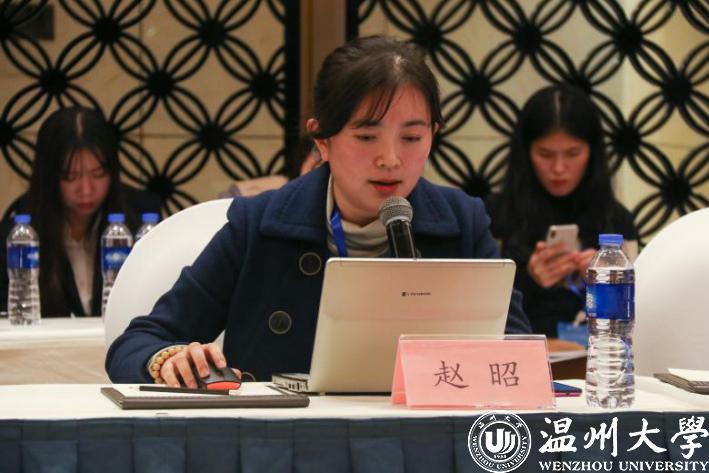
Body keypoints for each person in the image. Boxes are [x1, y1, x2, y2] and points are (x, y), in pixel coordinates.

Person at [106, 36, 531, 387]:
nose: (390, 159)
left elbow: (516, 355)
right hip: (284, 443)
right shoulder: (258, 225)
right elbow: (138, 343)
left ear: (433, 135)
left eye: (412, 138)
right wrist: (171, 360)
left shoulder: (463, 223)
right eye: (366, 137)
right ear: (322, 140)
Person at [487, 84, 638, 338]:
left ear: (592, 152)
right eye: (545, 154)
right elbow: (478, 315)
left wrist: (602, 283)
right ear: (526, 152)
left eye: (573, 153)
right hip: (516, 353)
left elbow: (633, 318)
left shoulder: (617, 220)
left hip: (596, 355)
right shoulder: (493, 216)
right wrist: (526, 281)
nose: (559, 168)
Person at [0, 107, 162, 317]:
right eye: (71, 176)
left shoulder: (140, 220)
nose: (86, 190)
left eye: (98, 174)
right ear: (48, 177)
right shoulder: (20, 233)